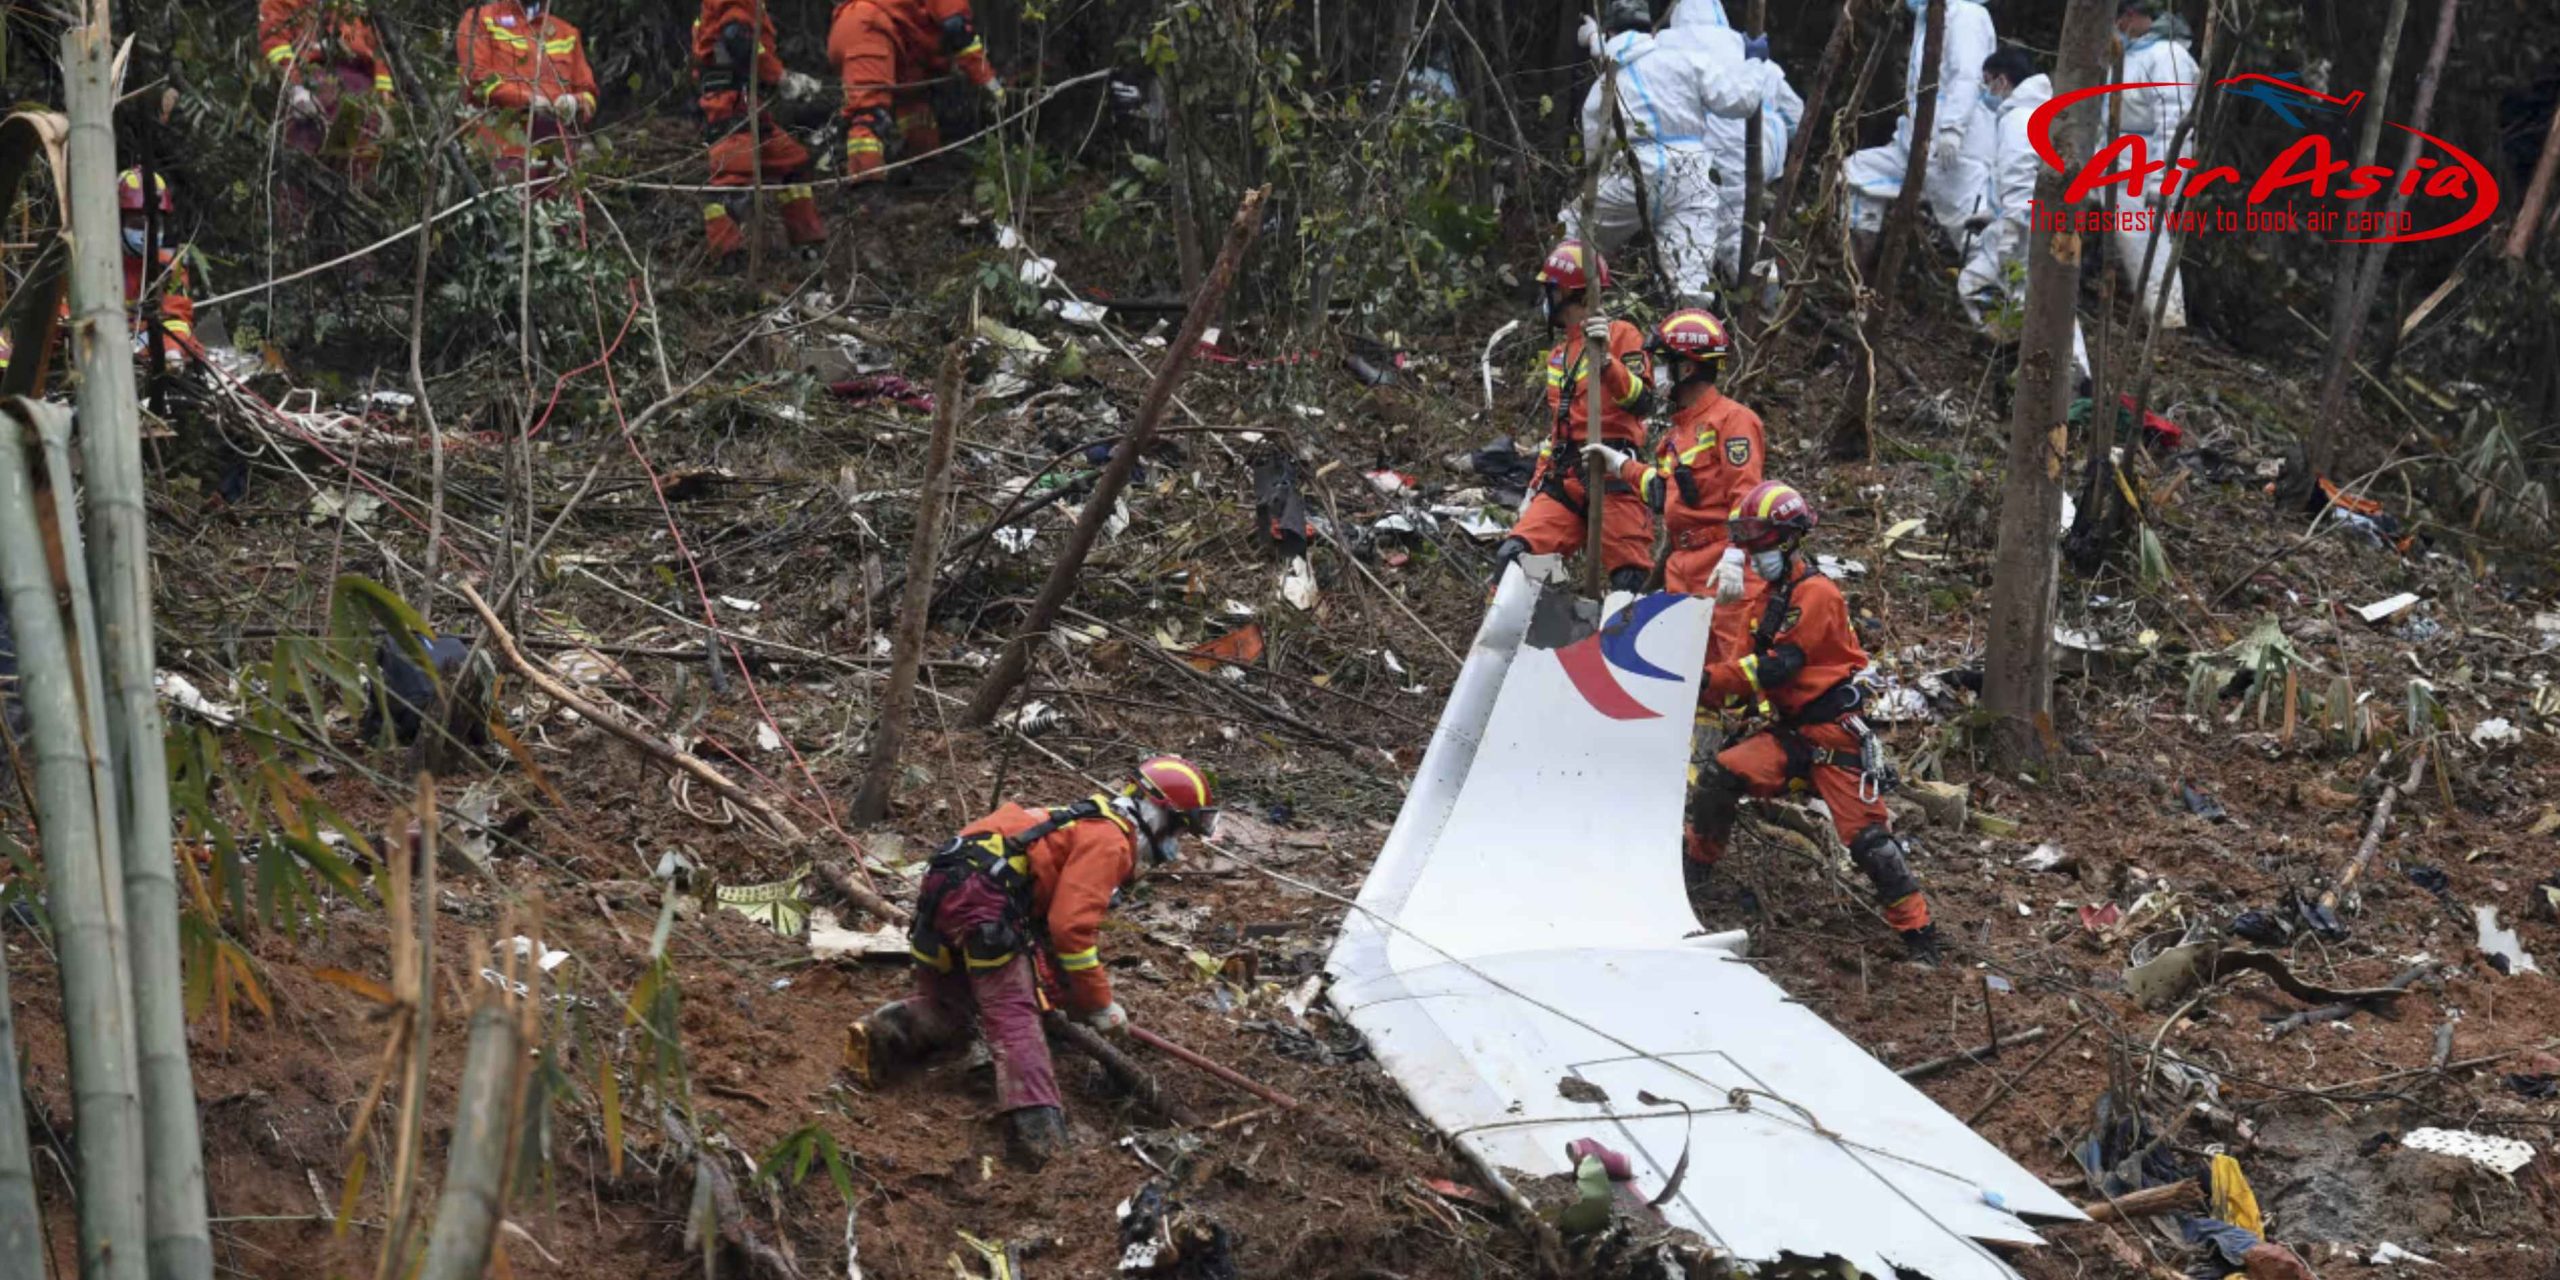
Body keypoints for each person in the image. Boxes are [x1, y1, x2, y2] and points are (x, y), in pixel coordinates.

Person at [845, 756, 1220, 1166]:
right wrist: (1100, 1004)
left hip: (947, 884)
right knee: (1013, 1019)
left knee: (950, 1005)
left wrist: (1066, 999)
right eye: (1179, 828)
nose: (1175, 843)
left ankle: (882, 1032)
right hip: (983, 900)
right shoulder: (1111, 840)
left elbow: (1044, 932)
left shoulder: (1083, 820)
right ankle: (1042, 1146)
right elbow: (1071, 930)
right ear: (1157, 813)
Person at [1684, 481, 1939, 964]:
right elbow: (1744, 665)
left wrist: (1705, 681)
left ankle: (1920, 935)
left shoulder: (1817, 594)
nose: (1754, 553)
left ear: (1786, 538)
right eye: (1749, 543)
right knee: (1721, 776)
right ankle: (1695, 872)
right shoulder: (1766, 598)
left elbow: (1777, 667)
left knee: (1871, 846)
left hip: (1833, 734)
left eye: (1759, 542)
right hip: (1790, 733)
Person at [1580, 308, 1763, 664]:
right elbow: (1662, 493)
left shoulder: (1733, 420)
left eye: (1662, 363)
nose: (1656, 373)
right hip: (1682, 565)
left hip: (1722, 563)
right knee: (1686, 674)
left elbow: (1747, 492)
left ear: (1688, 367)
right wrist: (1620, 465)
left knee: (1730, 668)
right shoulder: (1675, 435)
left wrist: (1735, 555)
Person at [1564, 0, 1770, 306]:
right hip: (1690, 176)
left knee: (1575, 237)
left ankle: (1561, 316)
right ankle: (1694, 346)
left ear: (1609, 31)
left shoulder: (1604, 85)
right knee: (1691, 284)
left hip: (1630, 174)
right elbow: (1740, 102)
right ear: (1651, 29)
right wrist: (1754, 63)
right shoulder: (1684, 61)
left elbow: (1595, 151)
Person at [1490, 241, 1656, 594]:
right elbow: (1558, 431)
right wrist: (1533, 489)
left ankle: (1609, 638)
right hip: (1565, 481)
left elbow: (1643, 403)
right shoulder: (1559, 355)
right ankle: (1543, 625)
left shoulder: (1622, 335)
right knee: (1514, 558)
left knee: (1631, 584)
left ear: (1566, 291)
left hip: (1614, 477)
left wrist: (1608, 363)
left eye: (1549, 289)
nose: (1545, 299)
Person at [1956, 48, 2091, 378]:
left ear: (2003, 80)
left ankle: (2070, 377)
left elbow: (2019, 179)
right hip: (2030, 222)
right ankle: (2021, 353)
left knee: (2041, 303)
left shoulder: (2018, 119)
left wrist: (2009, 234)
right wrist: (1990, 216)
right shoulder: (2036, 113)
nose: (1986, 91)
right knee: (1976, 284)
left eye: (1988, 82)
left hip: (2028, 231)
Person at [1654, 0, 1799, 283]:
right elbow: (1795, 112)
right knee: (1743, 220)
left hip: (1716, 150)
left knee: (1715, 224)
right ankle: (1761, 293)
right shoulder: (1745, 46)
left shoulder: (1666, 45)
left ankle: (1745, 300)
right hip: (1765, 147)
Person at [1, 169, 199, 377]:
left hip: (145, 362)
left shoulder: (167, 268)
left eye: (155, 224)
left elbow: (176, 318)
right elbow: (57, 316)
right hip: (85, 363)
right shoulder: (84, 261)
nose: (147, 232)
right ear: (115, 220)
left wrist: (171, 352)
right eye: (137, 223)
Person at [1843, 0, 1998, 248]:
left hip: (1956, 153)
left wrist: (1952, 129)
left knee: (1974, 238)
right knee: (1857, 174)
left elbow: (1967, 76)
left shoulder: (1967, 15)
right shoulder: (1927, 17)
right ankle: (1856, 272)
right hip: (1916, 145)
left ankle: (1999, 283)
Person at [691, 0, 825, 259]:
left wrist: (781, 79)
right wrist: (781, 78)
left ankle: (806, 241)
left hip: (750, 104)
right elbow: (737, 40)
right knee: (732, 181)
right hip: (730, 105)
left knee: (792, 164)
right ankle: (728, 256)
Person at [825, 0, 999, 182]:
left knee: (913, 102)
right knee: (869, 116)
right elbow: (957, 30)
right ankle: (867, 187)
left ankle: (926, 163)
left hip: (882, 34)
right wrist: (989, 82)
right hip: (870, 30)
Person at [2110, 0, 2196, 328]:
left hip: (2145, 164)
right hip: (2121, 160)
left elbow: (2174, 123)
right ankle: (2153, 314)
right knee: (2132, 238)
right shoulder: (2129, 56)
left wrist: (2165, 179)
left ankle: (2166, 317)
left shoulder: (2166, 56)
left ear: (2130, 17)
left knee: (2147, 238)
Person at [456, 0, 599, 196]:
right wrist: (525, 100)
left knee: (559, 223)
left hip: (557, 158)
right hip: (502, 150)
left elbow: (588, 93)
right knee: (509, 218)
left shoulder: (566, 32)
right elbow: (478, 79)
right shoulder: (481, 19)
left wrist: (575, 103)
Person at [258, 0, 397, 181]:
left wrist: (385, 95)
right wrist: (296, 88)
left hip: (363, 90)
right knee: (305, 169)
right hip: (316, 83)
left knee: (363, 168)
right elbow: (273, 38)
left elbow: (379, 45)